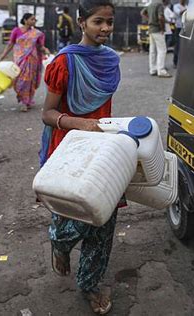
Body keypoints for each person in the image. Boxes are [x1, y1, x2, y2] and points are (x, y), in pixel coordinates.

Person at [40, 1, 123, 314]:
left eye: (109, 22)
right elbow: (47, 113)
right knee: (71, 214)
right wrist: (83, 124)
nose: (104, 29)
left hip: (104, 149)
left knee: (104, 216)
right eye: (98, 22)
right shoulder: (64, 62)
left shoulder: (112, 61)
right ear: (82, 23)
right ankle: (59, 244)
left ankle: (90, 283)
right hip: (71, 148)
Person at [0, 13, 50, 112]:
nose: (34, 21)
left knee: (29, 81)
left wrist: (45, 50)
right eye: (32, 19)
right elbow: (10, 45)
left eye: (35, 20)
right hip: (19, 60)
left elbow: (40, 46)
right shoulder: (16, 31)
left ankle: (25, 102)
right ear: (25, 20)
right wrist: (1, 57)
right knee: (19, 81)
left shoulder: (37, 33)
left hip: (32, 60)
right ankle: (24, 99)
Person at [141, 0, 172, 78]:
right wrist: (162, 28)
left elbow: (142, 13)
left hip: (151, 29)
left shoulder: (151, 4)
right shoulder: (160, 5)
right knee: (162, 50)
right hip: (158, 29)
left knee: (152, 50)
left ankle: (153, 69)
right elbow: (160, 17)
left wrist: (149, 20)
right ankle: (161, 70)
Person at [173, 0, 187, 68]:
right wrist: (188, 10)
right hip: (178, 28)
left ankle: (183, 62)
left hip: (185, 27)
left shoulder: (186, 6)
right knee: (178, 45)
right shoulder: (176, 6)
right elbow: (180, 13)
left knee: (185, 45)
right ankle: (176, 62)